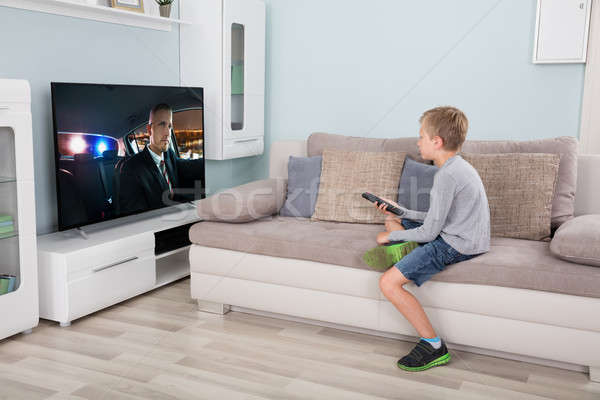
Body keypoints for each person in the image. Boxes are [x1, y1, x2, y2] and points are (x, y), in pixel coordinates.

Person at [366, 106, 490, 372]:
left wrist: (391, 235)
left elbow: (432, 233)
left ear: (437, 141)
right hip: (462, 233)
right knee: (397, 219)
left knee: (388, 283)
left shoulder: (447, 175)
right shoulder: (458, 167)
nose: (417, 142)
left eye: (421, 136)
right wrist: (400, 211)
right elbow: (436, 217)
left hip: (456, 244)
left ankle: (433, 345)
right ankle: (400, 239)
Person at [118, 103, 186, 215]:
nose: (168, 133)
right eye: (162, 124)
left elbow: (189, 166)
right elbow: (133, 218)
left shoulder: (169, 155)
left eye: (169, 126)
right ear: (150, 130)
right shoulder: (131, 169)